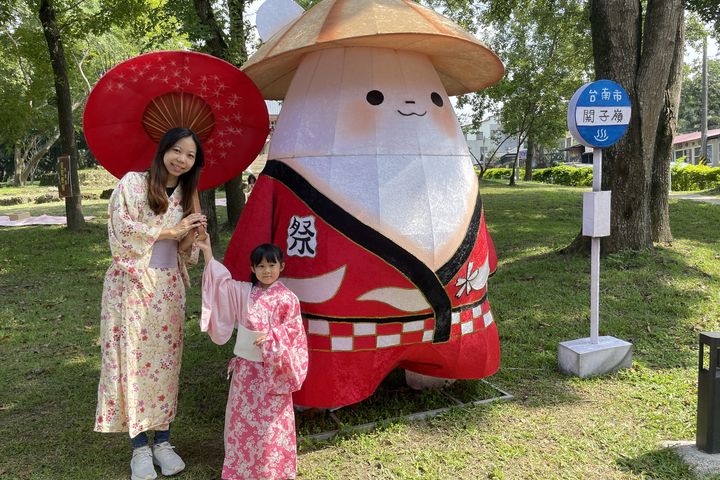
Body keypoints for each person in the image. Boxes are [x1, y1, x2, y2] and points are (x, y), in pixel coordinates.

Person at [94, 127, 207, 480]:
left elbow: (183, 254)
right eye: (177, 150)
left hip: (168, 288)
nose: (182, 159)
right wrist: (170, 232)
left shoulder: (189, 195)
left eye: (190, 155)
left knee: (165, 365)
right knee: (134, 363)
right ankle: (139, 448)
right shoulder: (132, 184)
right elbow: (120, 231)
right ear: (163, 151)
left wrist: (192, 237)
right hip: (131, 286)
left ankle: (164, 442)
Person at [198, 238, 308, 480]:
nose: (266, 271)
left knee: (270, 425)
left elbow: (294, 334)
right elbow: (221, 285)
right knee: (243, 421)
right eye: (260, 266)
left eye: (272, 265)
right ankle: (241, 469)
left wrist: (272, 339)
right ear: (252, 269)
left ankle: (273, 470)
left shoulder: (288, 299)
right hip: (247, 370)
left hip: (273, 371)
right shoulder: (245, 292)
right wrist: (207, 251)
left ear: (282, 266)